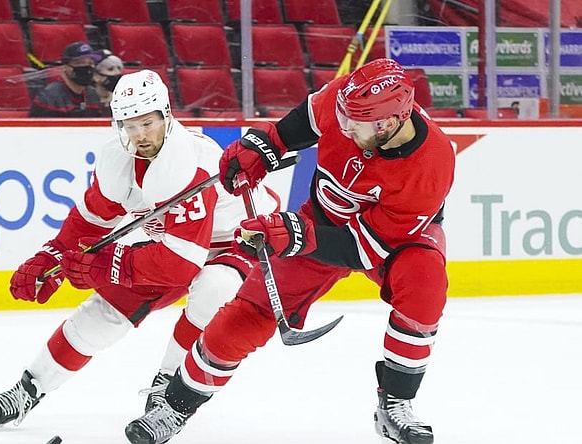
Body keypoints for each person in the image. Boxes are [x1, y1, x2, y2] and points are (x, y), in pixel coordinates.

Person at [124, 58, 456, 444]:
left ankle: (396, 404)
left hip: (395, 238)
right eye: (343, 117)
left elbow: (367, 248)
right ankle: (175, 405)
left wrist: (298, 236)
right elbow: (304, 122)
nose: (343, 128)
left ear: (389, 123)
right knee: (251, 310)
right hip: (322, 219)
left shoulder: (432, 163)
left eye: (355, 124)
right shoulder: (348, 100)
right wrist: (263, 146)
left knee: (425, 283)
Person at [0, 69, 280, 430]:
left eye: (147, 123)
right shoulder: (118, 159)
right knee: (103, 311)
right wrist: (52, 254)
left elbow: (180, 266)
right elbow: (90, 220)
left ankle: (168, 391)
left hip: (238, 238)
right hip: (178, 244)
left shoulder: (189, 164)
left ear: (166, 115)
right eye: (129, 125)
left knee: (215, 287)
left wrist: (104, 266)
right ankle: (29, 388)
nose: (139, 135)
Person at [29, 41, 106, 118]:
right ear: (65, 67)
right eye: (79, 63)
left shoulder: (92, 94)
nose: (86, 68)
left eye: (90, 63)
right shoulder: (48, 98)